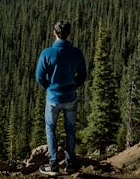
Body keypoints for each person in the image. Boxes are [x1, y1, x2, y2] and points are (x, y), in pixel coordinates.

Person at [35, 20, 87, 176]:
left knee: (51, 129)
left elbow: (39, 76)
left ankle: (53, 165)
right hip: (70, 98)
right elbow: (83, 75)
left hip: (53, 99)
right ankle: (70, 165)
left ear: (54, 33)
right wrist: (73, 85)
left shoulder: (47, 53)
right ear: (69, 34)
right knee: (70, 130)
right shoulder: (76, 53)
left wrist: (49, 88)